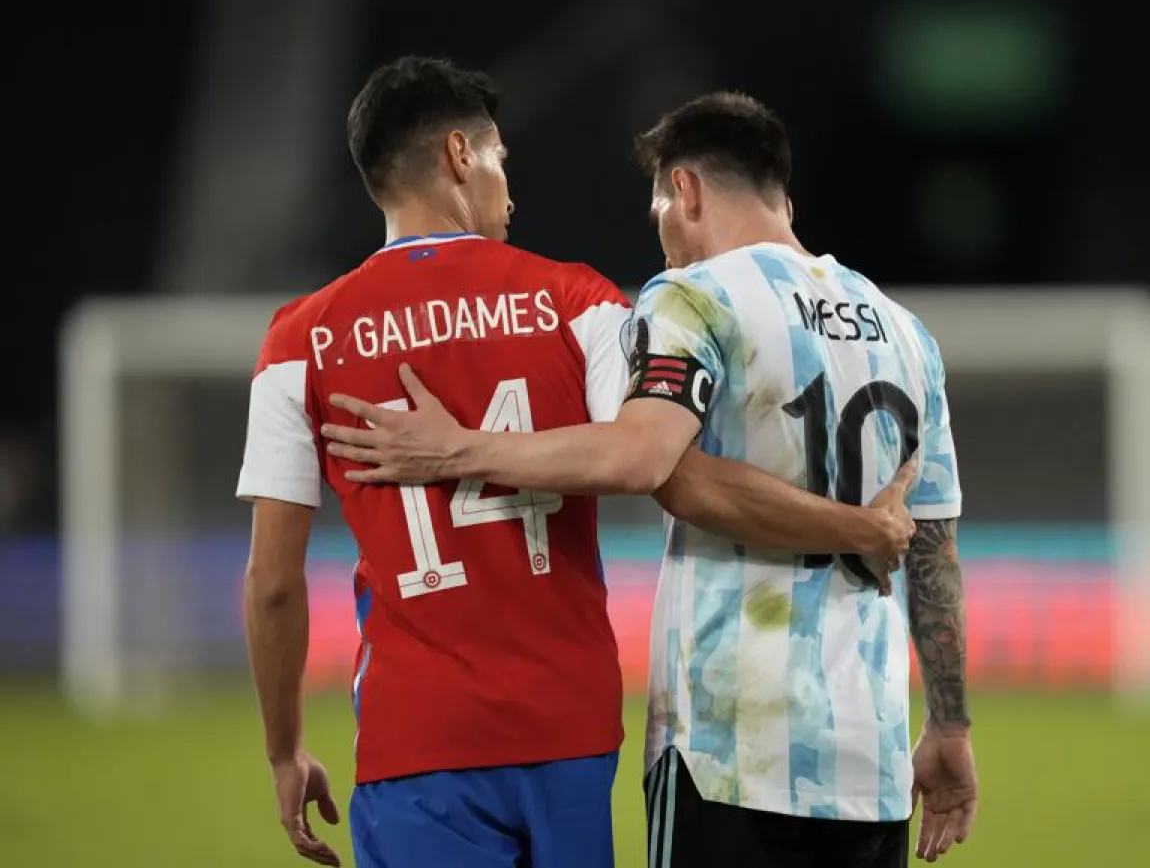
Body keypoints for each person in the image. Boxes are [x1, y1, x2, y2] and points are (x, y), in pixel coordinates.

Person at [236, 59, 915, 868]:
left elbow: (274, 583)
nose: (509, 193)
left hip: (414, 733)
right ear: (461, 155)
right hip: (567, 729)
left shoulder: (299, 340)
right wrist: (860, 525)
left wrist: (285, 749)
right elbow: (658, 462)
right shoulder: (579, 301)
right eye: (501, 162)